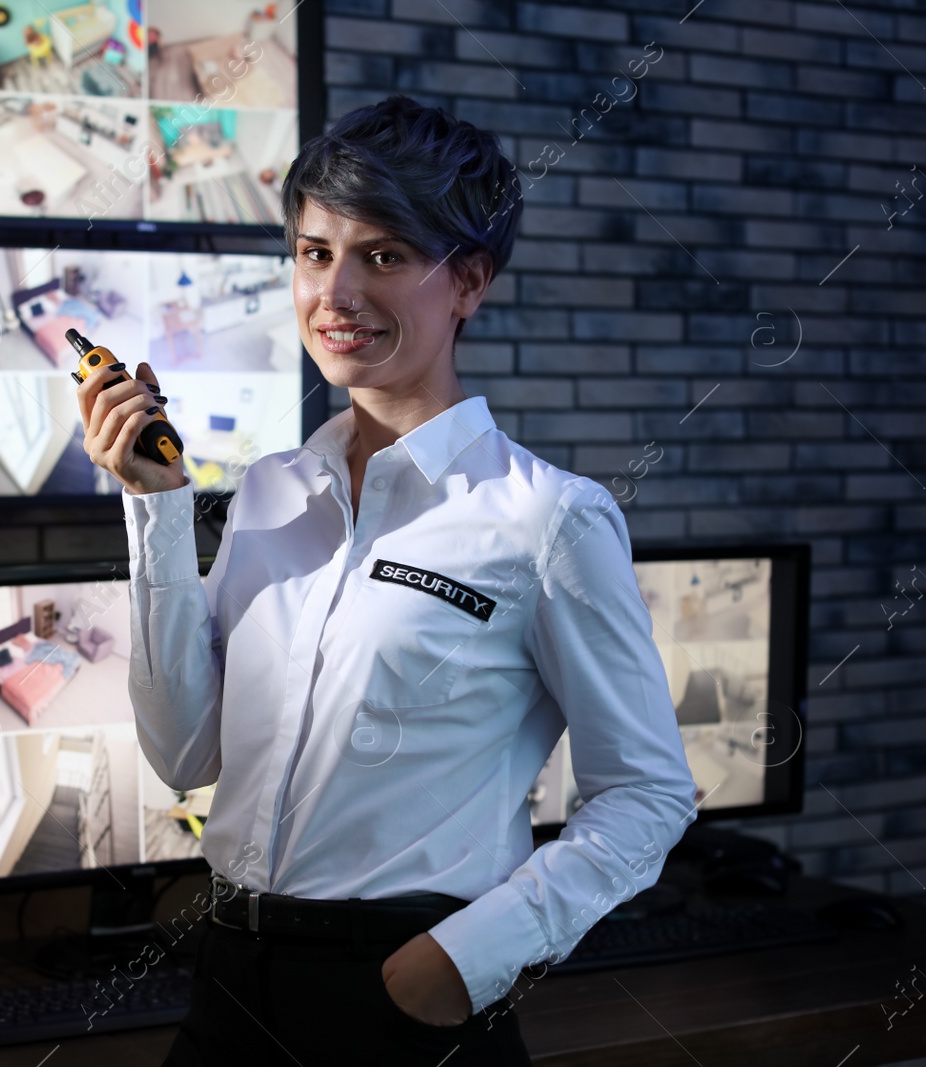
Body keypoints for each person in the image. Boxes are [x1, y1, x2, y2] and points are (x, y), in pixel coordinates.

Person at [76, 95, 698, 1065]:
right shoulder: (271, 490)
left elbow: (648, 792)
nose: (335, 294)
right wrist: (152, 505)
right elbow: (182, 753)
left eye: (384, 256)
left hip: (404, 994)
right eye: (314, 253)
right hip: (229, 980)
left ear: (469, 282)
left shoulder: (546, 517)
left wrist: (469, 956)